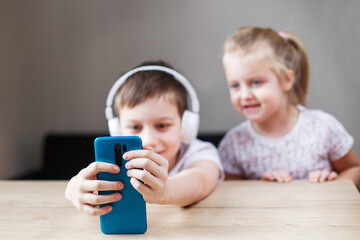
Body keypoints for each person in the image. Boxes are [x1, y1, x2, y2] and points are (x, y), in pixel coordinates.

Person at [65, 60, 223, 216]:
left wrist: (164, 192)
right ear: (117, 130)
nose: (148, 140)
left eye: (162, 126)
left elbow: (200, 182)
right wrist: (73, 188)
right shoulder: (114, 163)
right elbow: (83, 184)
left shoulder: (200, 152)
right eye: (135, 127)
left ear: (186, 125)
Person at [218, 26, 360, 185]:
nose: (244, 95)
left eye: (256, 82)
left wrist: (331, 186)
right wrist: (259, 186)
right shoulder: (233, 144)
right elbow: (232, 194)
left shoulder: (323, 128)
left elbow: (354, 169)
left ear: (287, 80)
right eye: (235, 86)